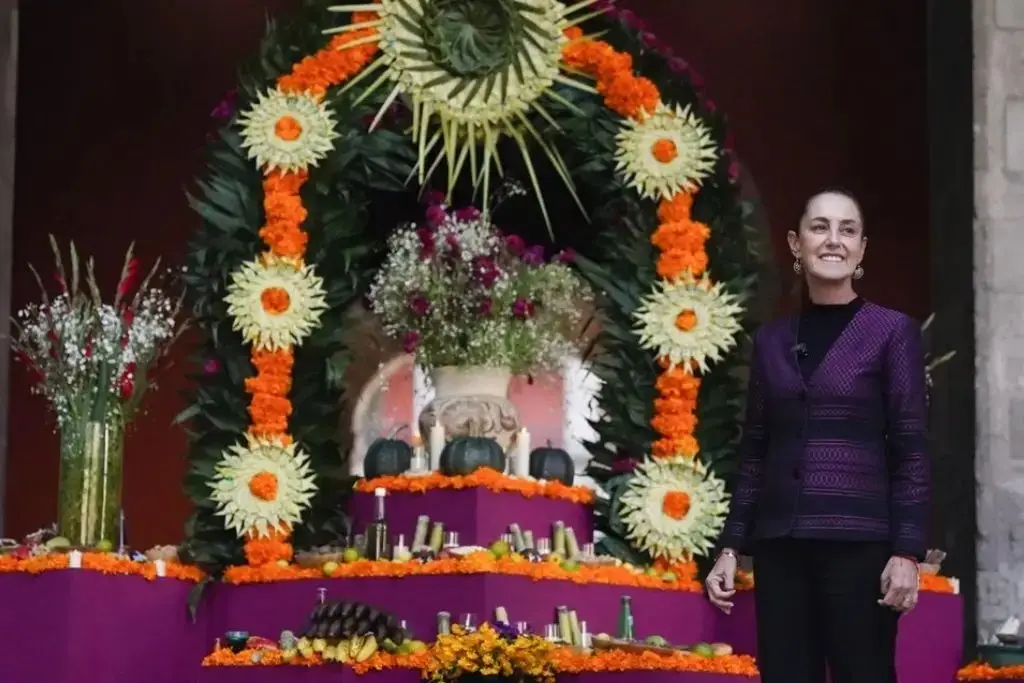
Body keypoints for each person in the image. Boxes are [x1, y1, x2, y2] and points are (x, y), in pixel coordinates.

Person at [704, 189, 930, 683]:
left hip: (861, 548)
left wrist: (907, 551)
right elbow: (756, 451)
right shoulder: (771, 341)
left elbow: (911, 450)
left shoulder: (892, 332)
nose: (834, 240)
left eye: (847, 230)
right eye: (820, 227)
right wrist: (729, 548)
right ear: (795, 242)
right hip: (782, 548)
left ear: (862, 249)